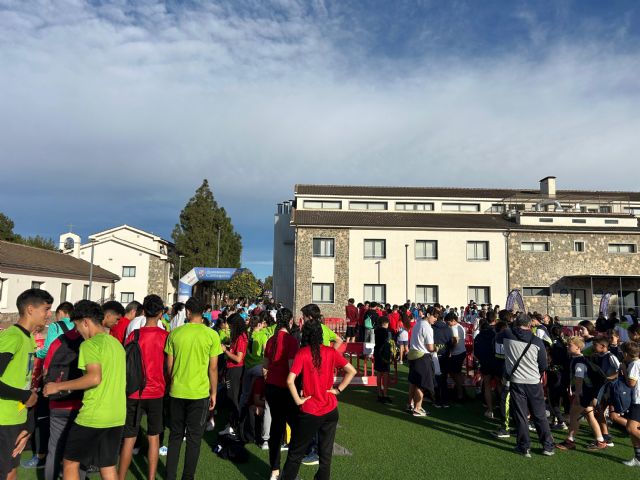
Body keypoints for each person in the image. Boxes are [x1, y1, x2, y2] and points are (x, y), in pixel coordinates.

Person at [43, 300, 126, 480]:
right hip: (117, 415)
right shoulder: (116, 344)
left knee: (70, 463)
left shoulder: (89, 345)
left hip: (93, 415)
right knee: (108, 466)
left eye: (78, 325)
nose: (78, 331)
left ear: (86, 322)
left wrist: (57, 386)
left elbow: (94, 378)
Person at [280, 310, 356, 480]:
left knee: (296, 452)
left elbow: (290, 380)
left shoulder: (303, 353)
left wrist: (299, 400)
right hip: (330, 410)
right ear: (321, 334)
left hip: (311, 410)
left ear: (305, 334)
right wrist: (338, 390)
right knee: (325, 454)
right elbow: (351, 371)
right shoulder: (330, 352)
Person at [164, 297, 222, 480]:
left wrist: (173, 382)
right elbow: (213, 368)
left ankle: (170, 476)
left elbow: (169, 367)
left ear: (187, 312)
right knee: (194, 439)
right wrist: (214, 392)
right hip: (199, 393)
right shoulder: (211, 335)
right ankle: (187, 477)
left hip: (177, 391)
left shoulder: (175, 333)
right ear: (203, 312)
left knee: (175, 437)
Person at [0, 289, 52, 480]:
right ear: (30, 309)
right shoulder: (12, 337)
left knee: (12, 473)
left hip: (17, 419)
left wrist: (28, 425)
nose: (49, 315)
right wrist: (25, 397)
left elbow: (24, 385)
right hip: (3, 421)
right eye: (46, 309)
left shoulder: (29, 338)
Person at [118, 295, 169, 480]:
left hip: (134, 391)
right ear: (161, 313)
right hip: (157, 391)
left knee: (129, 438)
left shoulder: (134, 334)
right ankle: (151, 478)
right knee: (154, 437)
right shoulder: (166, 337)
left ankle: (120, 476)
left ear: (143, 312)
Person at [497, 313, 554, 457]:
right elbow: (543, 364)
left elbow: (497, 342)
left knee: (521, 415)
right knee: (539, 415)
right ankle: (547, 446)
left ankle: (524, 446)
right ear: (530, 325)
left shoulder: (507, 334)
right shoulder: (536, 341)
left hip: (516, 381)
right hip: (533, 381)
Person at [264, 308, 299, 480]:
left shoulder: (271, 340)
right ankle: (288, 471)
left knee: (276, 428)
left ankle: (274, 470)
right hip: (285, 389)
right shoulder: (291, 341)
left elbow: (265, 366)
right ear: (290, 321)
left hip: (271, 387)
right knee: (298, 429)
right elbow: (293, 370)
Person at [556, 336, 608, 451]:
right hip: (587, 393)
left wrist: (578, 395)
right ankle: (601, 441)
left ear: (578, 347)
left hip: (584, 393)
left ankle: (570, 441)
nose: (567, 347)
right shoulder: (579, 359)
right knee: (590, 416)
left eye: (570, 345)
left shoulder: (579, 362)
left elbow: (579, 380)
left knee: (574, 415)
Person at [220, 313, 248, 437]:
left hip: (235, 370)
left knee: (233, 398)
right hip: (231, 369)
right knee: (230, 396)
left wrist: (225, 350)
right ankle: (231, 423)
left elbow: (238, 358)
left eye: (230, 326)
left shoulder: (241, 337)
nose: (229, 328)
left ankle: (234, 426)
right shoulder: (237, 336)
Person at [406, 306, 436, 417]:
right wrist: (436, 348)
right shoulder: (427, 327)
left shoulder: (418, 323)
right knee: (421, 384)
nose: (436, 319)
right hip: (422, 356)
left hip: (413, 355)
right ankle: (417, 408)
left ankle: (410, 404)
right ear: (428, 315)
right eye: (434, 316)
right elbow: (430, 347)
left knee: (413, 382)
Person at [620, 341, 640, 466]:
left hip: (638, 400)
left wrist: (624, 370)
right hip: (636, 400)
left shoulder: (634, 364)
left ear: (626, 354)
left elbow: (631, 383)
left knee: (630, 428)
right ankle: (638, 458)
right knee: (634, 429)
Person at [446, 312, 467, 402]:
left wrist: (450, 350)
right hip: (461, 352)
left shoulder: (454, 328)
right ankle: (460, 390)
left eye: (448, 322)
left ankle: (460, 394)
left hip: (457, 354)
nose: (447, 324)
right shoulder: (460, 326)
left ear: (453, 320)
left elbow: (455, 340)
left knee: (456, 373)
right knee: (454, 372)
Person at [374, 316, 392, 403]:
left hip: (377, 352)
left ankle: (379, 394)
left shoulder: (376, 331)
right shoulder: (387, 332)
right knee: (385, 374)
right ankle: (385, 394)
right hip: (385, 354)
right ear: (385, 323)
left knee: (379, 373)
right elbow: (389, 343)